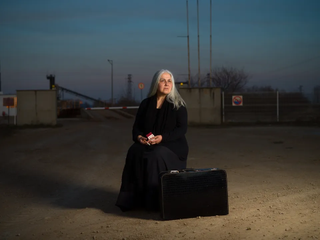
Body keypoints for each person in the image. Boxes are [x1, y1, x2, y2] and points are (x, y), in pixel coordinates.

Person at [115, 69, 188, 212]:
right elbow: (137, 127)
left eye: (169, 81)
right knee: (134, 151)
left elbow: (182, 129)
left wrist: (162, 138)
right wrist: (139, 137)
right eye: (163, 80)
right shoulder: (145, 104)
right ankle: (132, 200)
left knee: (156, 155)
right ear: (156, 83)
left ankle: (155, 202)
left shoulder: (178, 104)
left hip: (172, 147)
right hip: (149, 144)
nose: (166, 84)